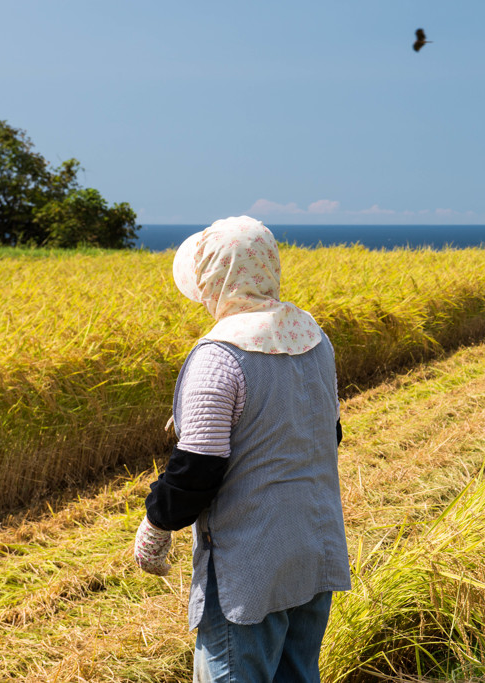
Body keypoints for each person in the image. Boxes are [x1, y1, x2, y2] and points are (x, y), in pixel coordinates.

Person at [132, 215, 351, 682]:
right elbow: (326, 435)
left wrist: (156, 523)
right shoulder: (312, 338)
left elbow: (197, 471)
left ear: (215, 279)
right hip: (314, 547)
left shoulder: (218, 357)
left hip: (250, 567)